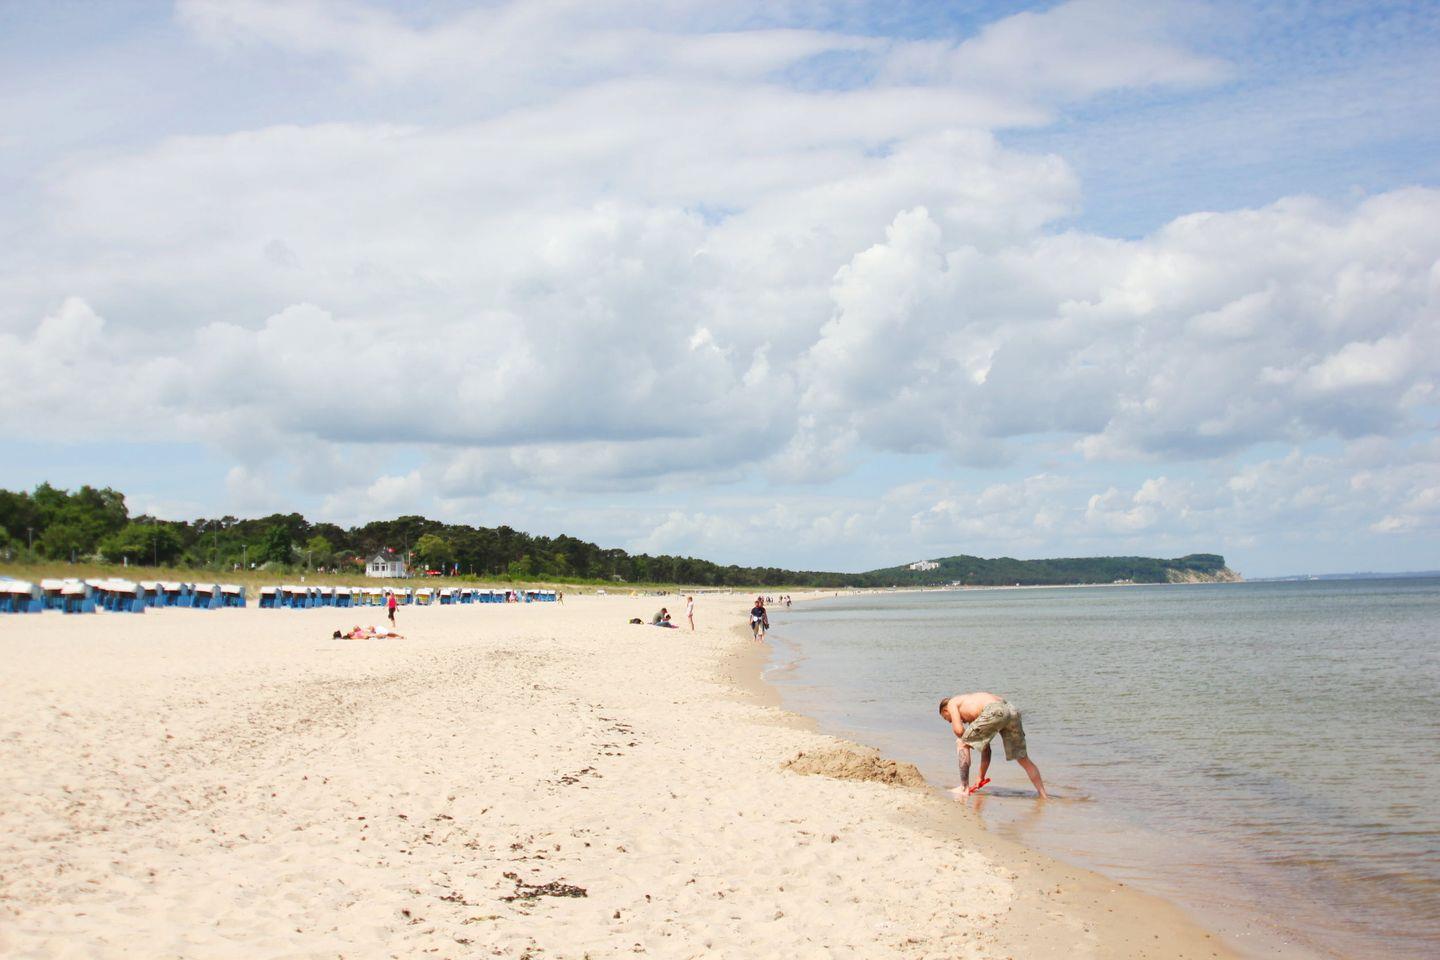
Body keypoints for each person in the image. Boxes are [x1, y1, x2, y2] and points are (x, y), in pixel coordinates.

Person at [939, 692, 1048, 799]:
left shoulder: (952, 703)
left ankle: (964, 788)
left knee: (961, 743)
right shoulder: (974, 709)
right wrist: (980, 777)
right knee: (1023, 759)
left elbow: (958, 731)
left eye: (946, 718)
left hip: (995, 710)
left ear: (945, 710)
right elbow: (986, 751)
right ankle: (1043, 796)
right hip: (1011, 710)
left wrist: (965, 739)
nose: (949, 721)